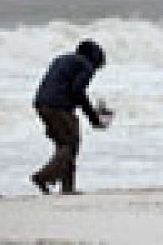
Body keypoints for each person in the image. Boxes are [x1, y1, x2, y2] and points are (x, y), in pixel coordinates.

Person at [31, 39, 107, 195]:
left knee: (64, 144)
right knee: (70, 143)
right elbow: (77, 91)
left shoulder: (64, 59)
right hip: (58, 107)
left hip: (43, 104)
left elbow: (67, 88)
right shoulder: (86, 65)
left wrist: (91, 115)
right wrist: (94, 118)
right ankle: (43, 177)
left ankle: (67, 188)